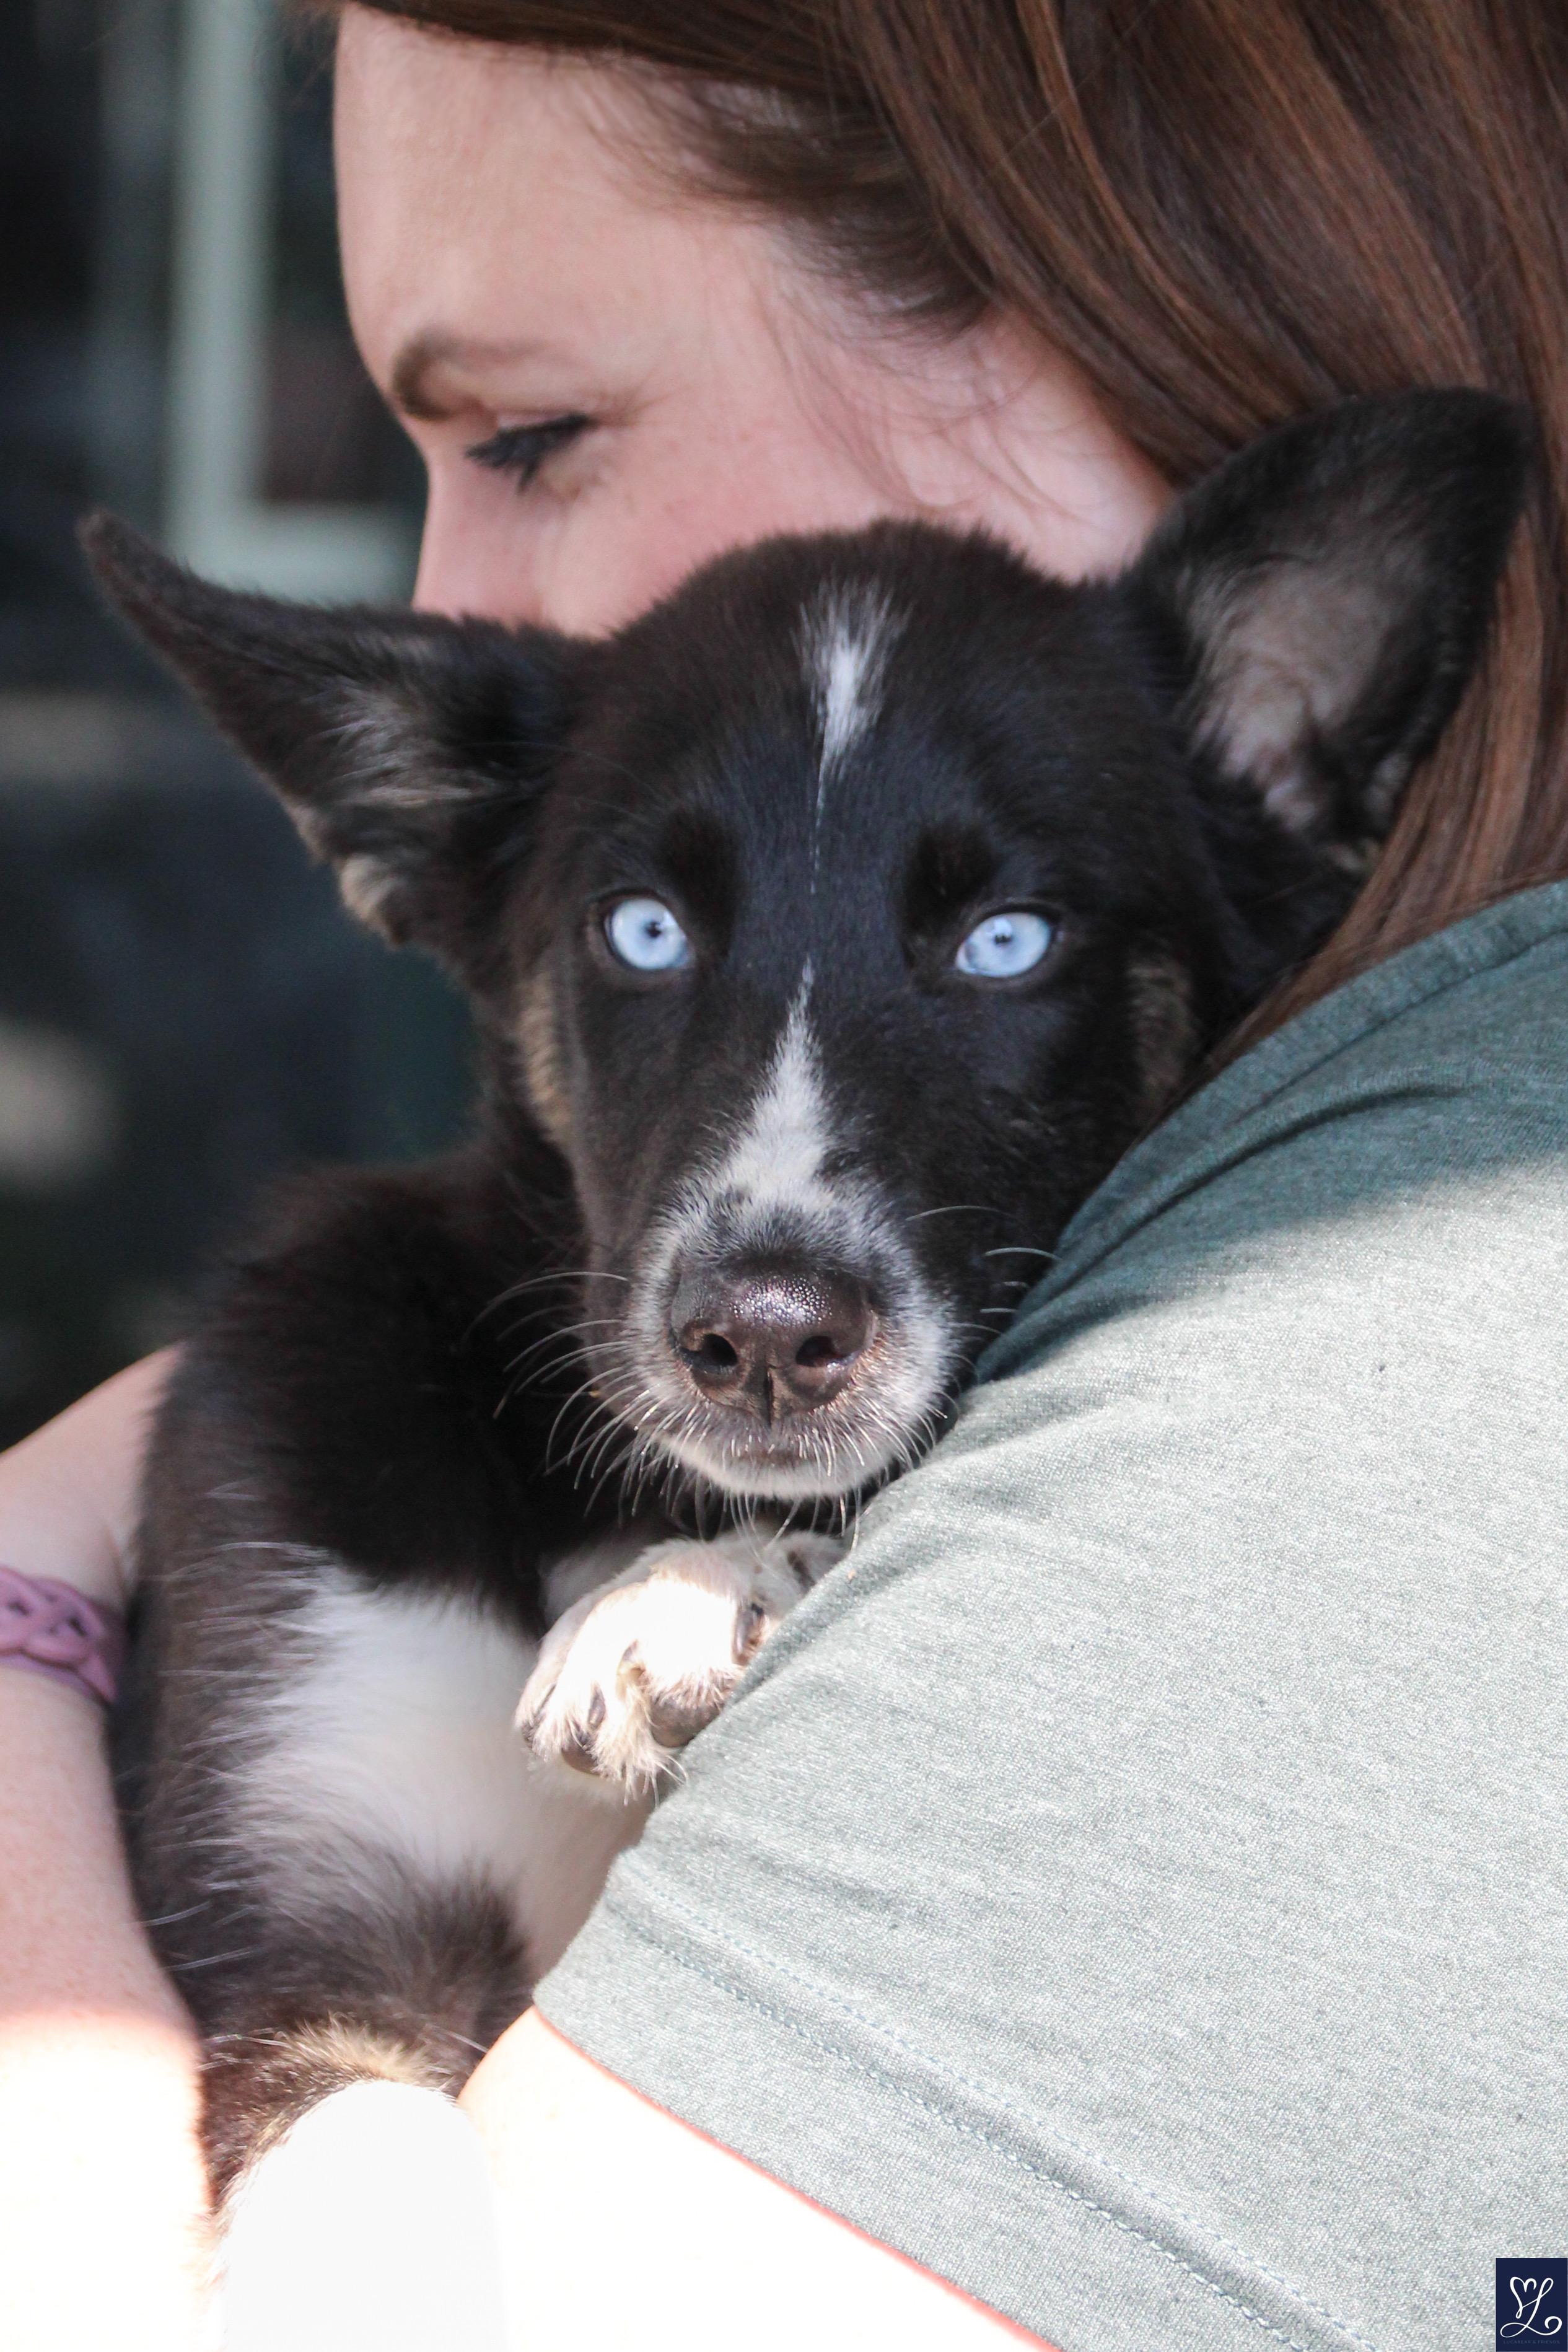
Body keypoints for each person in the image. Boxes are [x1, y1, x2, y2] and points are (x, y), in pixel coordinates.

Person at [2, 3, 1566, 2345]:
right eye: (652, 923)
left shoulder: (1407, 1313)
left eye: (529, 430)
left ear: (1097, 297)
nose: (465, 587)